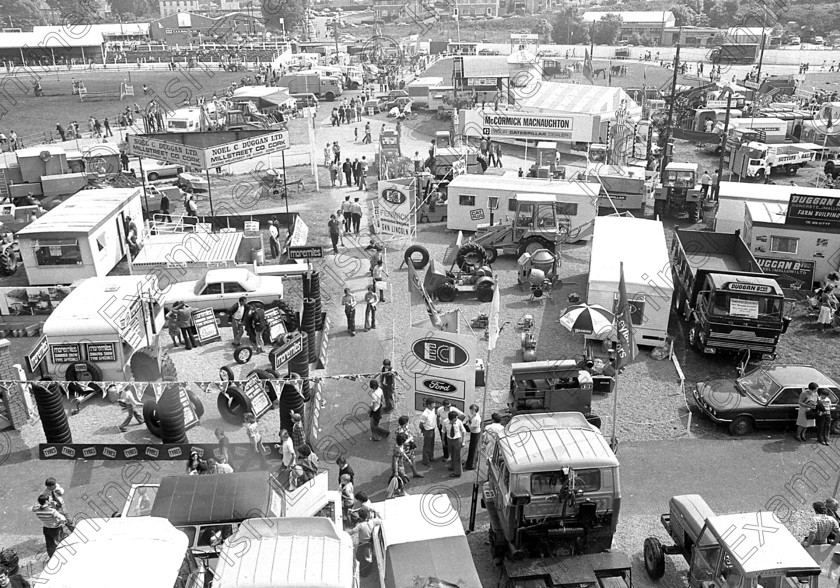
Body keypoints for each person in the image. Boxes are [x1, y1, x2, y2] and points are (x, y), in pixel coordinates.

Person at [349, 509, 378, 577]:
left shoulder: (360, 525)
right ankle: (367, 571)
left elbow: (351, 532)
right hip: (369, 543)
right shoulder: (372, 522)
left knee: (360, 558)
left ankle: (363, 573)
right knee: (367, 558)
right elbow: (379, 521)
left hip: (362, 544)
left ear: (360, 517)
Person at [445, 410, 467, 477]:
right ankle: (453, 466)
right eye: (454, 419)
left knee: (457, 457)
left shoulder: (459, 422)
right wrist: (443, 440)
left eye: (456, 419)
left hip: (457, 440)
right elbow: (443, 430)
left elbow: (463, 431)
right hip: (449, 439)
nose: (456, 420)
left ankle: (458, 472)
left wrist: (463, 441)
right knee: (452, 454)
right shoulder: (445, 422)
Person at [419, 398, 437, 466]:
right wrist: (424, 431)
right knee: (427, 446)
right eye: (433, 404)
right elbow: (421, 424)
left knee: (431, 444)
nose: (434, 405)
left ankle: (431, 457)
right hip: (427, 430)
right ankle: (425, 461)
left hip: (432, 429)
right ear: (429, 405)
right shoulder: (425, 414)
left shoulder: (432, 410)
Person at [464, 404, 482, 471]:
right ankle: (472, 462)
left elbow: (471, 428)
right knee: (473, 448)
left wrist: (466, 425)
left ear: (475, 410)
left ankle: (471, 465)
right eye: (471, 410)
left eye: (472, 410)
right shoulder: (475, 415)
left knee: (473, 449)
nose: (471, 411)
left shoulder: (476, 418)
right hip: (474, 433)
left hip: (475, 433)